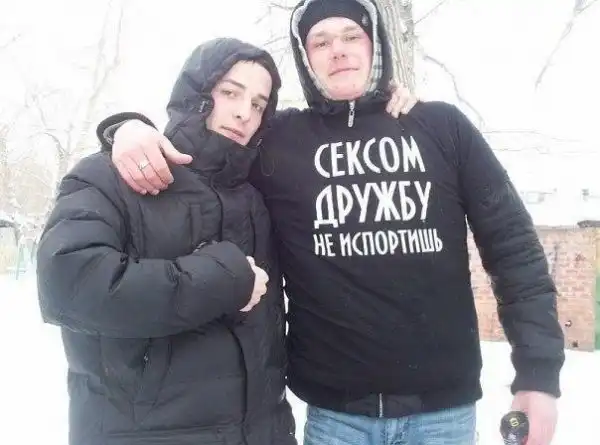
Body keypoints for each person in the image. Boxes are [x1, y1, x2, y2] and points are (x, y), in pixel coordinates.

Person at [95, 0, 565, 444]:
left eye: (351, 36)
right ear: (306, 59)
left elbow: (514, 250)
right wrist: (126, 127)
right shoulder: (279, 141)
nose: (337, 50)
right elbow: (206, 151)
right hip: (336, 418)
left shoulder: (442, 127)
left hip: (444, 413)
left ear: (375, 46)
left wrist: (538, 375)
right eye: (320, 42)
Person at [36, 38, 297, 445]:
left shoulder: (256, 194)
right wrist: (222, 280)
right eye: (230, 92)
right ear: (196, 94)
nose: (244, 112)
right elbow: (67, 283)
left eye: (258, 103)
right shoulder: (111, 175)